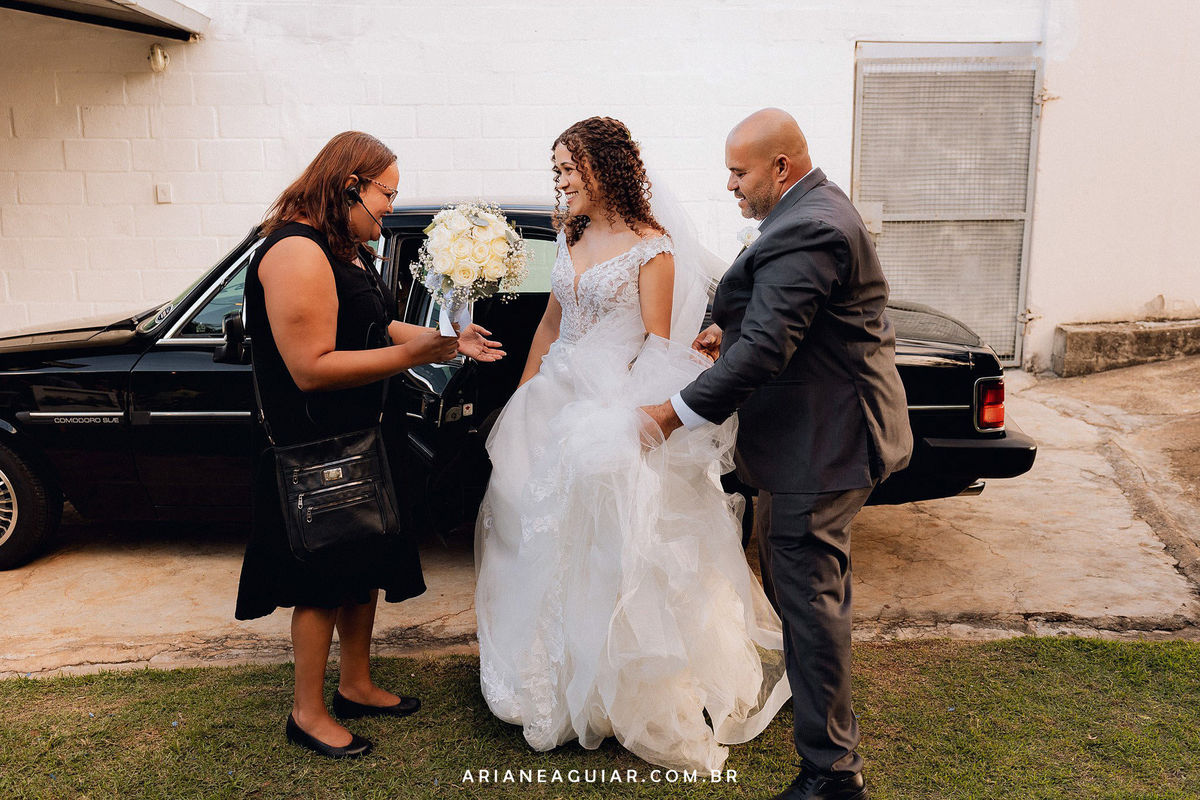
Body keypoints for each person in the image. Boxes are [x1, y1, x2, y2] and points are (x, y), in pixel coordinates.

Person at [473, 116, 790, 773]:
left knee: (600, 546)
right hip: (550, 401)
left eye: (570, 169)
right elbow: (551, 323)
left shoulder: (653, 249)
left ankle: (604, 690)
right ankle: (539, 673)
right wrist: (525, 394)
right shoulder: (570, 232)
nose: (562, 182)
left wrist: (619, 425)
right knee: (527, 533)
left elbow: (655, 348)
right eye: (557, 170)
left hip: (606, 410)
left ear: (604, 168)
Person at [641, 108, 913, 800]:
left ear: (781, 167)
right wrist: (723, 328)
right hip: (817, 442)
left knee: (810, 606)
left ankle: (831, 775)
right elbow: (779, 314)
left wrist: (670, 414)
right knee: (809, 600)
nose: (730, 184)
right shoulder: (809, 211)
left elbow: (769, 348)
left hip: (821, 448)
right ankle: (824, 721)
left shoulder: (810, 226)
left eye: (739, 172)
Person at [234, 131, 503, 759]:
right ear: (350, 185)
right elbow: (311, 368)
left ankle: (355, 684)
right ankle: (307, 713)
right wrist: (411, 357)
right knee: (321, 581)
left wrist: (447, 342)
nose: (390, 206)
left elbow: (376, 325)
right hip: (315, 447)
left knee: (363, 569)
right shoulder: (295, 252)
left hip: (365, 435)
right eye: (388, 193)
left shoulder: (343, 247)